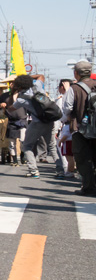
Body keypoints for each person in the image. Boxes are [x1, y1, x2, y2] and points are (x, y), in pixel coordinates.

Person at [11, 73, 54, 179]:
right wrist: (28, 77)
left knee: (27, 145)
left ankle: (33, 170)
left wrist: (14, 95)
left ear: (19, 86)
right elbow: (41, 76)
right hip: (49, 119)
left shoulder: (22, 98)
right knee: (52, 146)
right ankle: (61, 171)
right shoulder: (37, 86)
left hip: (36, 122)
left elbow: (11, 108)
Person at [63, 60, 95, 195]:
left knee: (83, 160)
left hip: (80, 129)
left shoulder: (74, 89)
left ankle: (88, 188)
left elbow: (67, 109)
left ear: (76, 73)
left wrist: (69, 119)